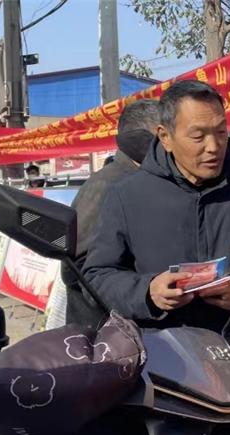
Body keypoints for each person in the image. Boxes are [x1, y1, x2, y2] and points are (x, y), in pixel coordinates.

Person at [83, 80, 230, 362]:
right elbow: (97, 276)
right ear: (165, 137)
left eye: (221, 132)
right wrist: (148, 292)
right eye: (198, 136)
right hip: (161, 359)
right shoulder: (127, 196)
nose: (213, 147)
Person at [61, 99, 160, 328]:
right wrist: (143, 291)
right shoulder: (107, 186)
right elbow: (78, 267)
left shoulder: (149, 180)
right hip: (103, 330)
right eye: (163, 135)